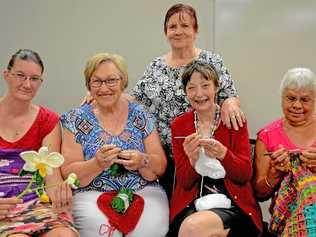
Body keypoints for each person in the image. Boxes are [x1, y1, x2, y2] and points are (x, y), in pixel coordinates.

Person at [131, 3, 245, 198]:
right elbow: (135, 100)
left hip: (206, 155)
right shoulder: (155, 67)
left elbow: (229, 95)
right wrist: (102, 92)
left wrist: (230, 103)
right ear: (165, 31)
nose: (178, 31)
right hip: (165, 159)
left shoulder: (212, 61)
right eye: (172, 26)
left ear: (195, 30)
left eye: (185, 26)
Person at [60, 53, 169, 237]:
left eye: (111, 80)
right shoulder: (75, 118)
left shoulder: (141, 114)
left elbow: (160, 166)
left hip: (143, 191)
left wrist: (143, 160)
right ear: (89, 85)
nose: (104, 88)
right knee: (102, 231)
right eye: (97, 82)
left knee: (147, 231)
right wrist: (96, 164)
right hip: (91, 194)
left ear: (123, 82)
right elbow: (68, 171)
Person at [168, 61, 262, 237]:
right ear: (185, 92)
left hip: (233, 203)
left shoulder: (233, 121)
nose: (199, 94)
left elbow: (244, 175)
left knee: (194, 229)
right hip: (192, 203)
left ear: (216, 87)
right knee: (194, 228)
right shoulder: (179, 126)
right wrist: (192, 159)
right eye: (192, 88)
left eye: (205, 86)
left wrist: (223, 154)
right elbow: (185, 182)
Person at [0, 49, 78, 236]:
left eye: (34, 78)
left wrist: (61, 194)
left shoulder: (47, 120)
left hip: (37, 203)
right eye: (20, 75)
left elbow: (51, 175)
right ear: (6, 75)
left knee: (64, 235)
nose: (27, 84)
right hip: (3, 208)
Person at [253, 67, 316, 236]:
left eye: (305, 100)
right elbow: (259, 193)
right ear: (282, 99)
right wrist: (275, 172)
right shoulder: (267, 136)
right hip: (287, 216)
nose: (297, 105)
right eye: (291, 98)